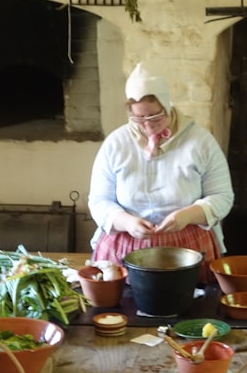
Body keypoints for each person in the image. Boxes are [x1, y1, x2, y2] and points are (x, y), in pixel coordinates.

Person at [88, 62, 235, 281]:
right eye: (139, 119)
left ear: (167, 106)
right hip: (125, 246)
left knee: (192, 307)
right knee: (121, 313)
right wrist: (127, 222)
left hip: (188, 247)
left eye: (155, 118)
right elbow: (98, 200)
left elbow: (223, 196)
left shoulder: (200, 141)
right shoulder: (116, 144)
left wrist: (188, 215)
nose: (148, 126)